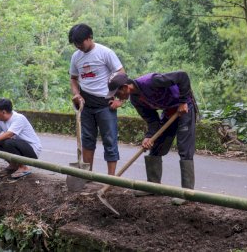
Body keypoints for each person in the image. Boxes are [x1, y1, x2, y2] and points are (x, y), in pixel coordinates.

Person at [107, 71, 197, 200]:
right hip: (169, 111)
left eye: (117, 93)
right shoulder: (136, 99)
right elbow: (152, 120)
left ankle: (188, 193)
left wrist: (183, 102)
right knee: (156, 146)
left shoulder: (151, 81)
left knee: (184, 148)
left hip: (185, 107)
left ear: (126, 87)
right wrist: (149, 136)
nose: (117, 97)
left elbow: (182, 76)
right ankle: (153, 186)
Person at [68, 23, 125, 175]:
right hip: (85, 105)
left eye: (80, 43)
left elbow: (121, 75)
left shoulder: (105, 53)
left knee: (109, 141)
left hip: (105, 104)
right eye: (75, 44)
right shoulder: (76, 57)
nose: (78, 46)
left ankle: (111, 178)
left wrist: (121, 100)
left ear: (89, 38)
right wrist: (76, 94)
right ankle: (87, 175)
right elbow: (73, 78)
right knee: (87, 141)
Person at [0, 98, 42, 179]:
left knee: (8, 142)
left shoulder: (19, 118)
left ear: (3, 112)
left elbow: (9, 134)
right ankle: (13, 165)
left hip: (32, 150)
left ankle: (23, 167)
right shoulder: (0, 121)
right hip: (19, 148)